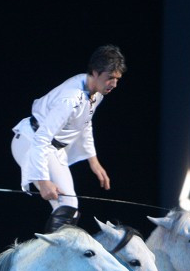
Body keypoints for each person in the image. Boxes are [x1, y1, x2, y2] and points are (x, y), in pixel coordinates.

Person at [11, 44, 126, 232]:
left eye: (117, 79)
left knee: (70, 207)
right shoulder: (70, 99)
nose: (114, 84)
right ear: (95, 73)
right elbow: (41, 138)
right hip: (30, 142)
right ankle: (54, 255)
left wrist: (93, 162)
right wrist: (42, 180)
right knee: (67, 204)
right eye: (110, 78)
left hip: (52, 149)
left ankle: (58, 253)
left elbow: (85, 123)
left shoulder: (95, 94)